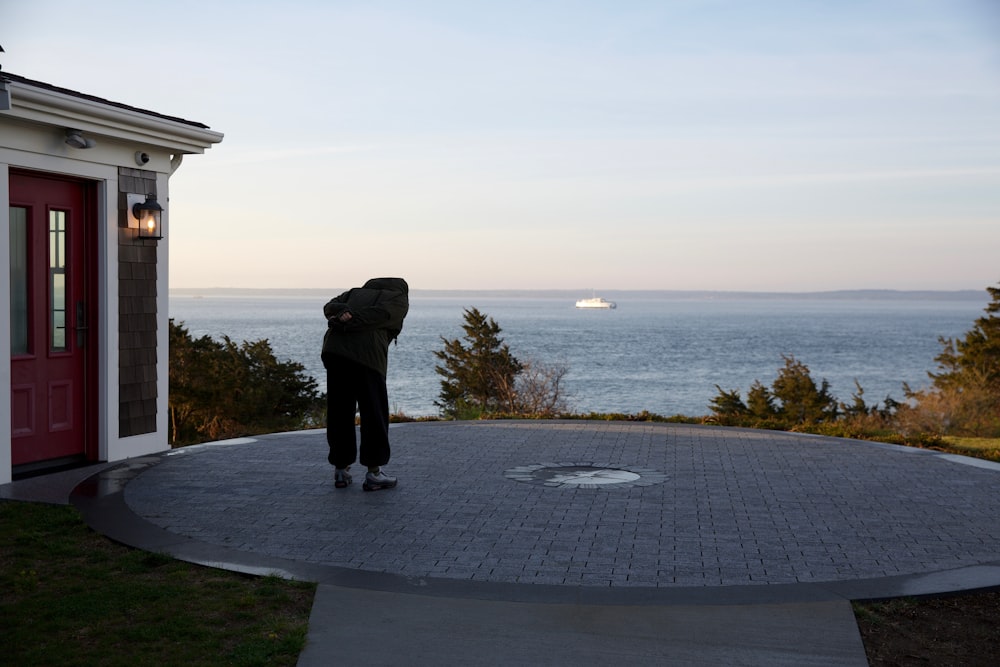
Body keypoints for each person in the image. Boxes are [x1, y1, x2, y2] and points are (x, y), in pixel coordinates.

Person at [321, 277, 409, 491]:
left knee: (339, 411)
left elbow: (329, 306)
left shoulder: (352, 293)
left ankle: (341, 470)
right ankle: (374, 472)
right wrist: (350, 318)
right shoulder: (398, 299)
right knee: (374, 414)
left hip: (334, 353)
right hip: (368, 358)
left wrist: (341, 314)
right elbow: (381, 316)